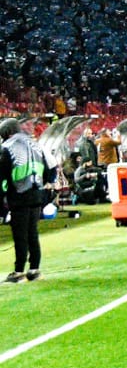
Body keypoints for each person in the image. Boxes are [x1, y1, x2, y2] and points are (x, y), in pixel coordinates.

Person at [0, 119, 50, 283]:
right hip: (37, 194)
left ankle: (18, 271)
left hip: (19, 194)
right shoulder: (35, 144)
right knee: (32, 233)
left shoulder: (7, 147)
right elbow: (48, 170)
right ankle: (34, 269)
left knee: (20, 235)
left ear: (6, 132)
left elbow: (3, 174)